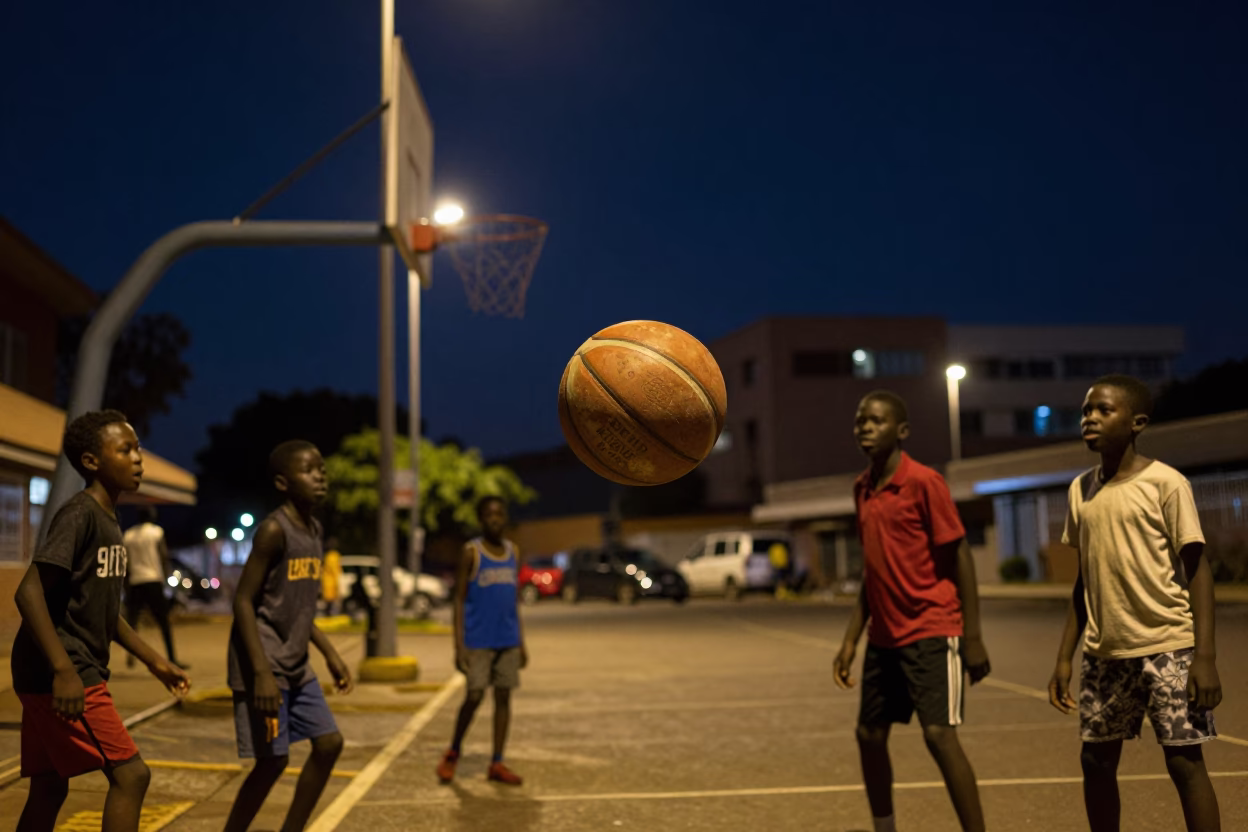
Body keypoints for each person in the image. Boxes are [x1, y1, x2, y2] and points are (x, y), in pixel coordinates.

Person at [1048, 375, 1222, 832]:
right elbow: (1084, 580)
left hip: (1169, 647)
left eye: (1104, 410)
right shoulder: (1080, 490)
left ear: (1137, 422)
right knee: (1096, 762)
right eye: (1087, 411)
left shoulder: (1166, 483)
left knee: (1185, 764)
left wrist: (1204, 656)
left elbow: (1198, 570)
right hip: (1105, 655)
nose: (1090, 419)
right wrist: (1065, 656)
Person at [10, 409, 190, 832]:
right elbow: (28, 591)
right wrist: (64, 671)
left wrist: (155, 661)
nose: (138, 458)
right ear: (91, 461)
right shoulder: (80, 514)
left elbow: (107, 613)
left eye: (138, 448)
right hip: (62, 668)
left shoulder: (111, 522)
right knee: (131, 775)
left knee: (49, 787)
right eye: (125, 449)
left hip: (48, 669)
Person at [833, 391, 990, 832]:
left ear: (901, 431)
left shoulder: (924, 482)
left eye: (876, 420)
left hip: (932, 629)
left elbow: (960, 554)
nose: (865, 427)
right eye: (860, 420)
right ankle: (885, 827)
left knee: (939, 735)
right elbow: (873, 571)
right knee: (868, 734)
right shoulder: (861, 488)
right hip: (883, 637)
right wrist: (850, 640)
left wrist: (973, 637)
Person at [223, 440, 354, 832]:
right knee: (272, 763)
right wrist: (261, 673)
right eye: (308, 470)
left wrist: (329, 653)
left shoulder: (314, 529)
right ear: (283, 482)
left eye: (322, 469)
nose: (320, 476)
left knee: (329, 744)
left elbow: (299, 607)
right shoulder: (273, 531)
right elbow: (243, 602)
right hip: (263, 664)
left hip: (296, 664)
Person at [436, 495, 528, 786]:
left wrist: (521, 640)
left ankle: (497, 761)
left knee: (504, 697)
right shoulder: (471, 552)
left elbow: (513, 601)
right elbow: (459, 600)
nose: (495, 519)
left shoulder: (513, 551)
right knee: (474, 696)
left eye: (500, 514)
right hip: (478, 641)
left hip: (507, 639)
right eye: (489, 515)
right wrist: (458, 645)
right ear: (480, 519)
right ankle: (453, 751)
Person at [123, 504, 186, 670]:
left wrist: (126, 584)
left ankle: (131, 654)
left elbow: (126, 562)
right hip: (152, 579)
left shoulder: (128, 535)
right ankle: (172, 657)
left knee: (132, 621)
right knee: (163, 621)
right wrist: (165, 579)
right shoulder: (156, 532)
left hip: (136, 580)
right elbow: (163, 556)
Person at [320, 535, 343, 617]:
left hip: (326, 581)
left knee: (328, 602)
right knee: (332, 602)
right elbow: (335, 570)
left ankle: (328, 615)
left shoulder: (327, 556)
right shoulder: (334, 556)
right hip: (332, 582)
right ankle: (331, 616)